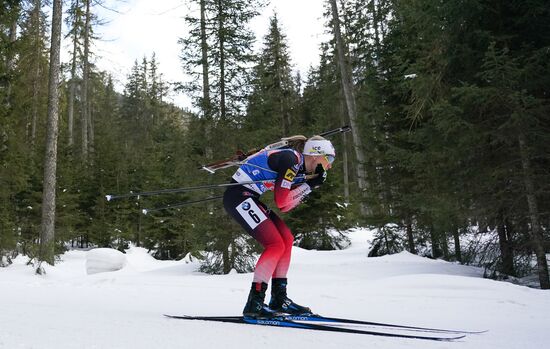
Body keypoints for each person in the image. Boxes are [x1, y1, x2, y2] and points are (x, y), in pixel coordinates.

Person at [223, 135, 336, 318]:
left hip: (249, 197)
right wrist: (308, 186)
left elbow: (286, 205)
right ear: (315, 155)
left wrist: (308, 185)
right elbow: (282, 202)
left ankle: (278, 299)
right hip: (238, 197)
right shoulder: (292, 161)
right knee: (275, 244)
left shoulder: (297, 166)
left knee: (286, 239)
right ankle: (255, 304)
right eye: (328, 159)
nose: (329, 165)